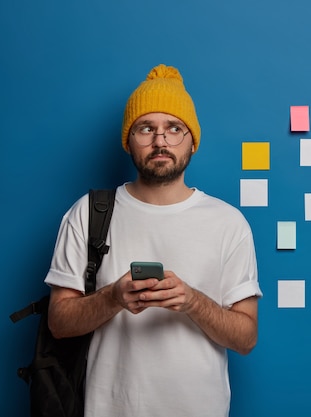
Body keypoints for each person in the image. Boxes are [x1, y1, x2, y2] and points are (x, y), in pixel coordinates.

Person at [45, 64, 262, 417]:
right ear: (128, 141)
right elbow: (59, 322)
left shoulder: (228, 222)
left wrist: (192, 300)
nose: (160, 141)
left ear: (192, 140)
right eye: (146, 128)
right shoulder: (88, 213)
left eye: (174, 128)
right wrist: (113, 297)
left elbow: (246, 338)